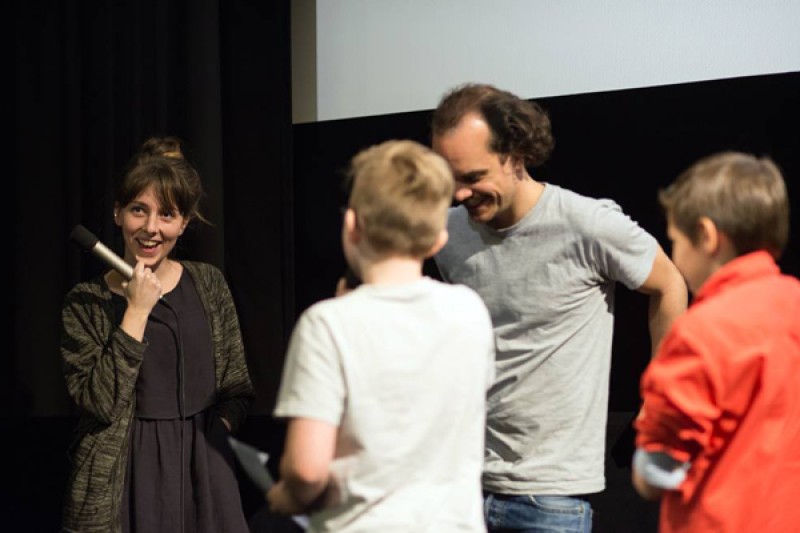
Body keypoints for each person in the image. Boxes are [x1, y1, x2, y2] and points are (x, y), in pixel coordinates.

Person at [430, 83, 688, 531]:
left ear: (515, 155)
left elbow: (669, 285)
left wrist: (661, 393)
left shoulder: (585, 223)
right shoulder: (447, 236)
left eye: (473, 177)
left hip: (550, 498)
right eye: (449, 179)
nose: (459, 195)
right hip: (462, 487)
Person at [266, 140, 496, 532]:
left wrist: (284, 497)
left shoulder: (327, 325)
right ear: (438, 238)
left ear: (352, 224)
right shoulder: (470, 311)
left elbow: (306, 469)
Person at [60, 136, 255, 533]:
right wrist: (136, 310)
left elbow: (237, 389)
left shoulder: (209, 283)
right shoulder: (85, 302)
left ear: (184, 223)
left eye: (166, 215)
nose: (151, 228)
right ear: (117, 214)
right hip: (128, 472)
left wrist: (215, 439)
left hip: (204, 471)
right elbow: (99, 402)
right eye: (138, 210)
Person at [632, 152, 800, 532]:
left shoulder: (700, 331)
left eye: (675, 240)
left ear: (706, 236)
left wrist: (645, 463)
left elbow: (658, 469)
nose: (675, 254)